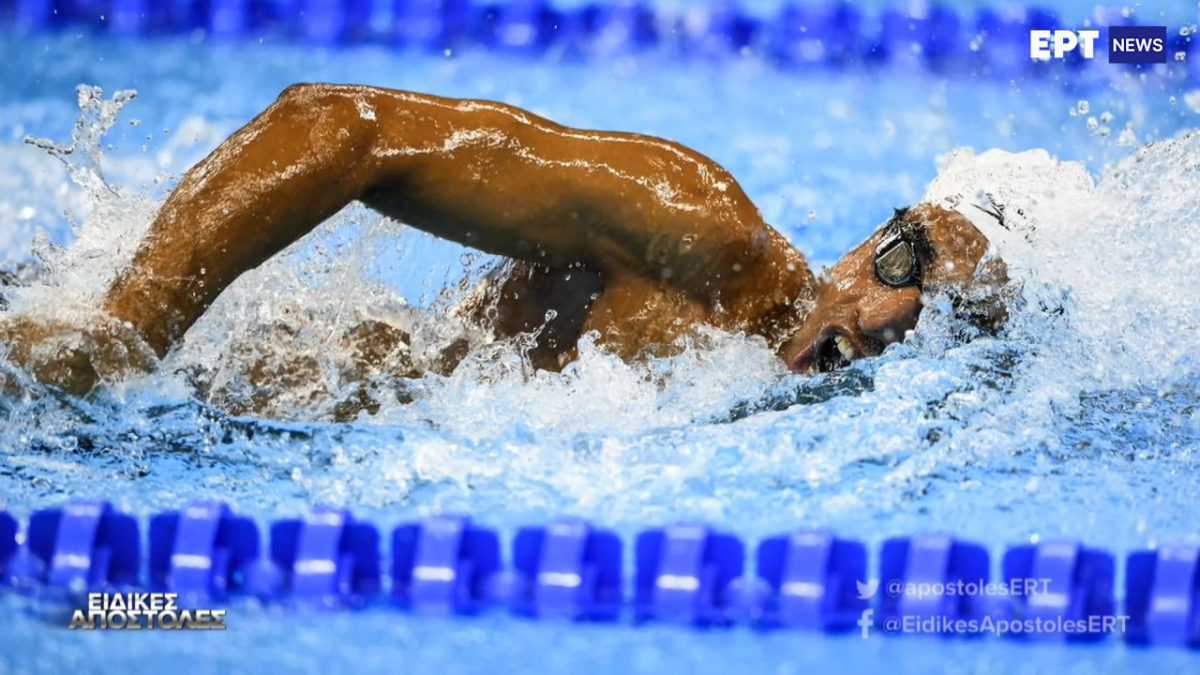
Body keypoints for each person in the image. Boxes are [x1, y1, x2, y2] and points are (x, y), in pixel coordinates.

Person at [0, 84, 1005, 401]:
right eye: (900, 264)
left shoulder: (802, 416)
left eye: (923, 324)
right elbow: (338, 126)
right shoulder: (690, 222)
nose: (882, 317)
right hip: (226, 388)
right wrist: (125, 334)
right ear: (863, 244)